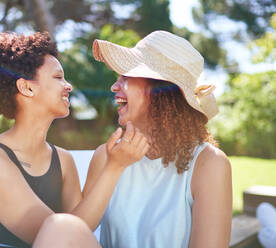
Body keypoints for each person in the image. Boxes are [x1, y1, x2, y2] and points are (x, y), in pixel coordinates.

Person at [0, 31, 150, 247]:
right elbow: (64, 233)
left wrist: (111, 164)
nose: (69, 86)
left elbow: (80, 234)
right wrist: (114, 167)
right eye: (58, 77)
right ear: (27, 87)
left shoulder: (63, 160)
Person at [83, 30, 233, 248]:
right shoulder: (106, 157)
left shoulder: (209, 164)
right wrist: (113, 167)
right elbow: (73, 233)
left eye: (126, 77)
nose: (114, 87)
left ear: (159, 91)